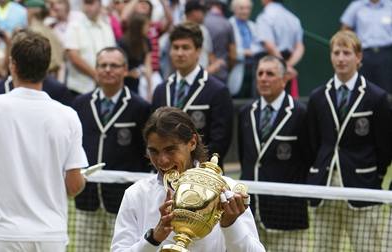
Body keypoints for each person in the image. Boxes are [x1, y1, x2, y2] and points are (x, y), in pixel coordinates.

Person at [0, 30, 88, 251]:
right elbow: (74, 185)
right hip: (51, 235)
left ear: (12, 65)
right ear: (47, 68)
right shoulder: (68, 115)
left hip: (4, 234)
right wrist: (79, 181)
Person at [111, 107, 265, 251]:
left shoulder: (227, 190)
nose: (162, 160)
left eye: (170, 150)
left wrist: (230, 225)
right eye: (154, 151)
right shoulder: (136, 194)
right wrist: (153, 238)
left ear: (192, 142)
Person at [306, 30, 392, 251]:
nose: (341, 58)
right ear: (331, 56)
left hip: (363, 187)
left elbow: (385, 146)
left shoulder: (377, 97)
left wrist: (374, 174)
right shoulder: (317, 97)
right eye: (336, 52)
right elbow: (313, 143)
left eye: (346, 52)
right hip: (324, 187)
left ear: (359, 57)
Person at [71, 46, 151, 251]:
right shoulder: (80, 104)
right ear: (96, 69)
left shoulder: (140, 107)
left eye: (114, 65)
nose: (108, 70)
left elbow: (146, 154)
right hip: (86, 199)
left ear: (125, 70)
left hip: (123, 203)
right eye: (103, 65)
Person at [238, 55, 309, 251]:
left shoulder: (300, 114)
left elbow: (308, 159)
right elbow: (247, 160)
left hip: (288, 214)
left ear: (284, 78)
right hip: (251, 215)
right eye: (260, 73)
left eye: (270, 73)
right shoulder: (246, 112)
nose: (263, 78)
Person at [152, 22, 233, 165]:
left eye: (186, 47)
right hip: (165, 172)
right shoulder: (161, 90)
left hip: (202, 176)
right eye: (175, 47)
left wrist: (192, 168)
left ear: (198, 51)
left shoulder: (217, 90)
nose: (180, 53)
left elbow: (220, 141)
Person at [64, 0, 115, 95]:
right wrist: (96, 75)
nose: (87, 7)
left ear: (100, 5)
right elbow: (73, 56)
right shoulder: (74, 26)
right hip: (79, 88)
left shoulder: (106, 27)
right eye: (85, 3)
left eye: (90, 3)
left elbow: (112, 55)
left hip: (103, 88)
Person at [340, 0, 392, 94]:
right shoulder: (356, 6)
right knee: (362, 88)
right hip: (363, 54)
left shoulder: (390, 5)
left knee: (387, 89)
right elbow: (345, 29)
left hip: (387, 54)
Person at [254, 0, 304, 96]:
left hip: (270, 62)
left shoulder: (265, 17)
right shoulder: (293, 18)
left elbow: (268, 44)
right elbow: (299, 47)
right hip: (285, 66)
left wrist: (284, 66)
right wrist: (287, 66)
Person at [228, 0, 257, 98]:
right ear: (234, 9)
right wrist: (244, 52)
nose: (245, 11)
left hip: (252, 68)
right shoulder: (229, 25)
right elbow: (229, 49)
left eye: (248, 8)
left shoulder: (253, 25)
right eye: (242, 8)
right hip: (236, 66)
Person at [203, 0, 236, 84]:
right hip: (221, 73)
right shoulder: (227, 23)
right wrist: (228, 68)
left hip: (203, 71)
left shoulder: (201, 22)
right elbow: (233, 54)